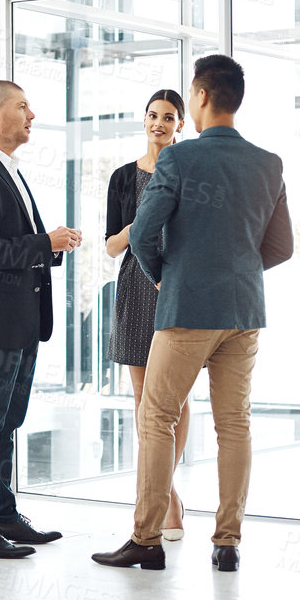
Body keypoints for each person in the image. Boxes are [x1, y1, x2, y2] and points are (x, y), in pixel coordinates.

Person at [92, 54, 293, 574]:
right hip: (243, 312)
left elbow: (140, 234)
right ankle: (227, 542)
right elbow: (282, 247)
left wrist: (166, 274)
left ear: (200, 98)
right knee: (235, 425)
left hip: (184, 311)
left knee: (155, 416)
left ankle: (147, 538)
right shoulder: (268, 163)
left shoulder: (179, 162)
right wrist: (240, 269)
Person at [0, 80, 80, 559]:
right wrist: (45, 243)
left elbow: (11, 246)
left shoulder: (8, 170)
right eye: (23, 106)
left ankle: (2, 514)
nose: (32, 114)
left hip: (21, 320)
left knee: (7, 422)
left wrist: (52, 246)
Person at [105, 89, 191, 541]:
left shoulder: (189, 171)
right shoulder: (122, 178)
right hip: (136, 289)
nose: (159, 123)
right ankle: (168, 497)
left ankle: (158, 497)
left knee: (176, 401)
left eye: (169, 117)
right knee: (145, 406)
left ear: (181, 124)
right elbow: (110, 246)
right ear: (144, 121)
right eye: (153, 116)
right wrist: (140, 224)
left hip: (176, 287)